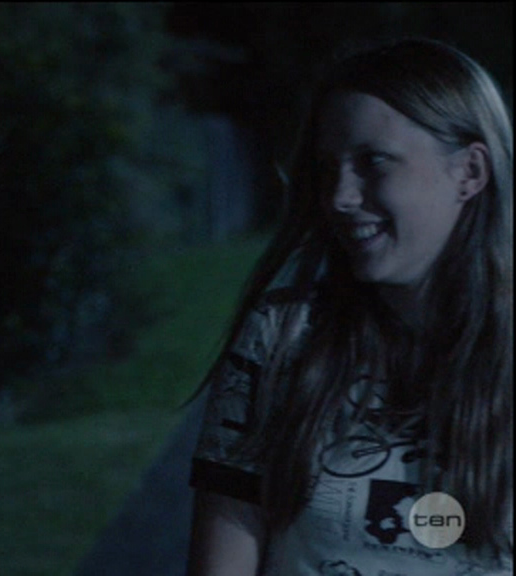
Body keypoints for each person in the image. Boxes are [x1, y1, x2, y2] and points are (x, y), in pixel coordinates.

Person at [186, 38, 512, 575]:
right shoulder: (283, 337)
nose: (339, 196)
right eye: (327, 168)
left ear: (470, 172)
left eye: (372, 162)